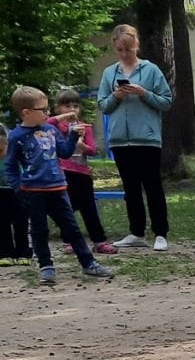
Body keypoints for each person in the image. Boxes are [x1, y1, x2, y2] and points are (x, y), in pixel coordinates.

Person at [4, 86, 113, 285]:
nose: (48, 114)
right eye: (43, 110)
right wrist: (18, 188)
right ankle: (46, 266)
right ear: (26, 112)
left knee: (71, 228)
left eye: (47, 109)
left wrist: (72, 136)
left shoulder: (51, 130)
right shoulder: (16, 136)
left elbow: (64, 152)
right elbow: (10, 166)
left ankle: (88, 263)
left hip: (58, 189)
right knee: (39, 230)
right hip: (33, 192)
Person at [96, 22, 172, 250]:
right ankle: (136, 232)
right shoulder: (110, 73)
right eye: (120, 50)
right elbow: (103, 105)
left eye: (128, 49)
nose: (124, 54)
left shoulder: (150, 70)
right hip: (120, 139)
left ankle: (160, 233)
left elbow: (166, 101)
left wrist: (144, 93)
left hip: (147, 138)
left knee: (152, 186)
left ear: (135, 45)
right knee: (130, 188)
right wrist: (116, 96)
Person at [51, 89, 116, 256]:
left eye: (75, 105)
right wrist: (63, 120)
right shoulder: (56, 127)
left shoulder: (85, 127)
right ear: (58, 108)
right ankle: (69, 241)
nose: (72, 109)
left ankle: (99, 240)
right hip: (64, 172)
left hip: (82, 173)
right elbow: (47, 123)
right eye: (67, 106)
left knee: (89, 209)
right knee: (67, 209)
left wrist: (83, 146)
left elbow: (93, 150)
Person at [0, 126, 33, 266]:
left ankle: (23, 252)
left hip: (18, 192)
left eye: (1, 150)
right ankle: (5, 253)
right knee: (2, 224)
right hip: (1, 193)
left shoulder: (16, 157)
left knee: (21, 223)